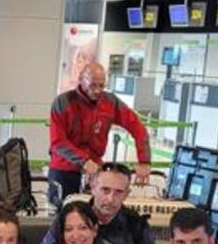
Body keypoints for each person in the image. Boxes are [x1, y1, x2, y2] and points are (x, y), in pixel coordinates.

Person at [48, 61, 151, 207]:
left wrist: (144, 161)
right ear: (81, 80)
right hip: (64, 170)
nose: (97, 90)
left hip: (96, 172)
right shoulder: (62, 102)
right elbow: (58, 142)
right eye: (92, 85)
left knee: (96, 215)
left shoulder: (110, 102)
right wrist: (84, 161)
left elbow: (138, 128)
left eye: (101, 86)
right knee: (61, 215)